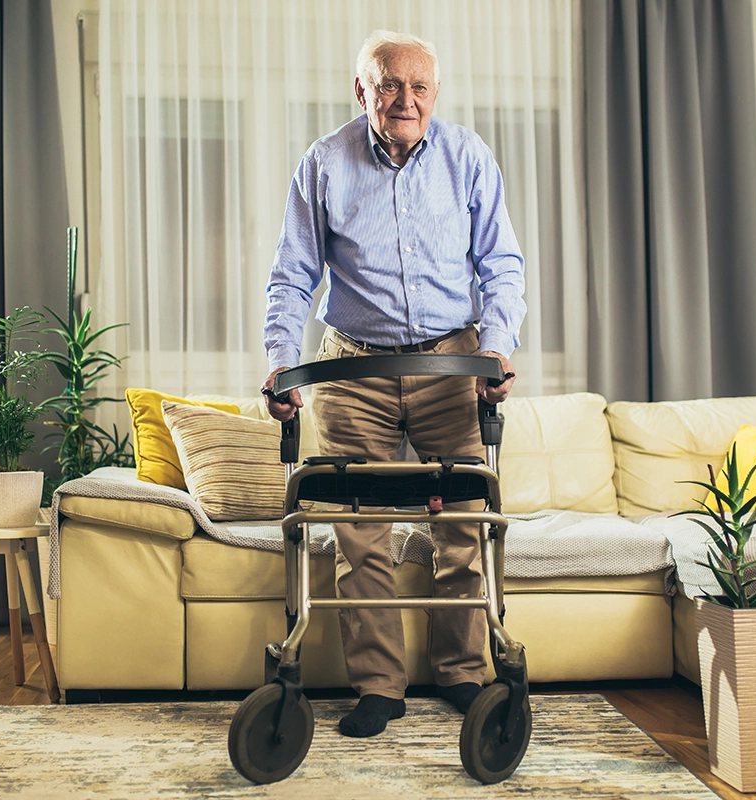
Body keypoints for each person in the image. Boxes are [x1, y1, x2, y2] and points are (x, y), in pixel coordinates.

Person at [261, 30, 527, 739]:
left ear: (434, 93)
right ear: (362, 91)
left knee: (465, 521)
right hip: (355, 365)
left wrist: (497, 346)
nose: (404, 99)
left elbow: (501, 265)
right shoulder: (323, 163)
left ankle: (465, 675)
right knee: (361, 530)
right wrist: (281, 360)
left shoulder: (468, 156)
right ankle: (380, 687)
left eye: (418, 87)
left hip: (452, 362)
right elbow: (292, 277)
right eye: (388, 85)